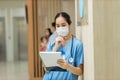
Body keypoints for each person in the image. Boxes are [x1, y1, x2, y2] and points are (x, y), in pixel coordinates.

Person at [43, 12, 84, 80]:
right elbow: (46, 69)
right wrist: (54, 49)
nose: (60, 28)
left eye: (63, 25)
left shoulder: (77, 45)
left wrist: (68, 66)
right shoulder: (52, 44)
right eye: (58, 26)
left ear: (69, 24)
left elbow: (80, 71)